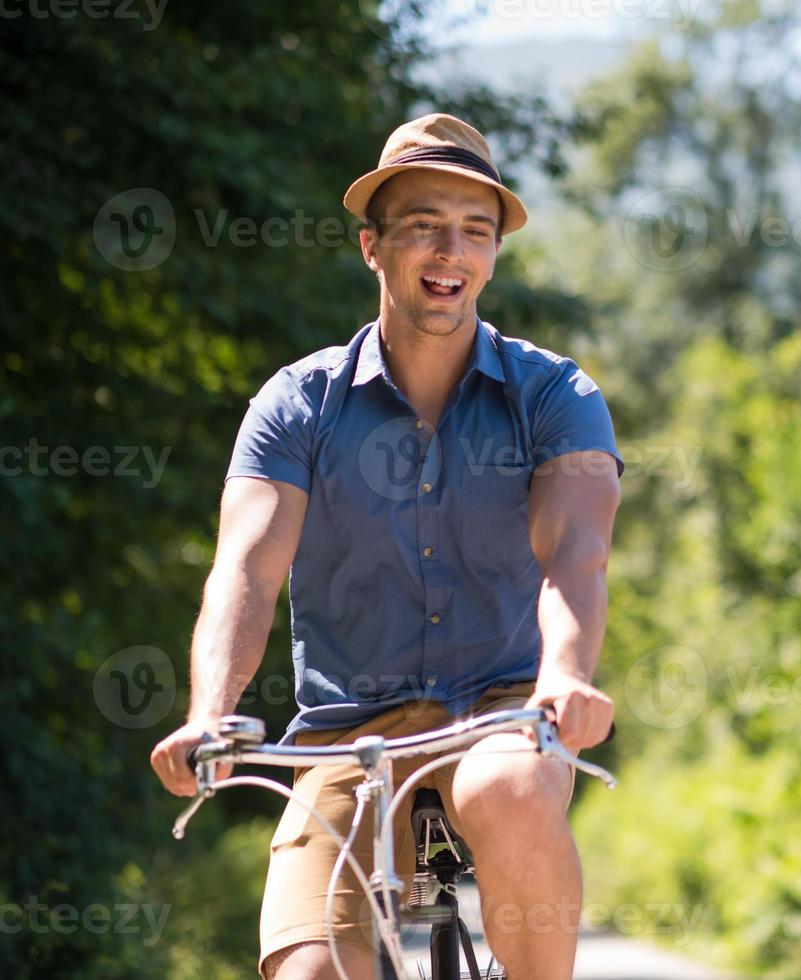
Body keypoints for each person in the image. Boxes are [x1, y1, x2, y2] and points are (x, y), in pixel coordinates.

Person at [150, 113, 623, 980]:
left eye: (476, 232)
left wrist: (564, 676)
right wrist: (208, 710)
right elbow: (247, 568)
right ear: (372, 247)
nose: (452, 252)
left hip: (505, 713)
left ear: (493, 255)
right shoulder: (298, 403)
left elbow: (575, 550)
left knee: (505, 787)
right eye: (423, 228)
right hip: (347, 734)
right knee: (311, 971)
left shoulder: (556, 393)